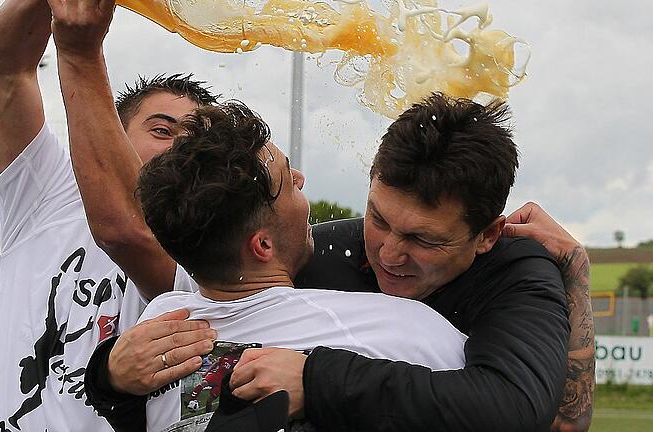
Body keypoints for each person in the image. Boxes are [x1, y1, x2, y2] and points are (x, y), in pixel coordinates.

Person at [46, 0, 592, 430]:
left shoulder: (517, 272)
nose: (389, 252)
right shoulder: (320, 250)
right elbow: (173, 251)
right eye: (378, 217)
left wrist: (317, 378)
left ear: (487, 234)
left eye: (425, 241)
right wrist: (111, 376)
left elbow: (518, 412)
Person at [0, 1, 219, 431]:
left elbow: (126, 228)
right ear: (109, 130)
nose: (178, 148)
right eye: (162, 130)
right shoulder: (48, 196)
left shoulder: (205, 261)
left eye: (196, 141)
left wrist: (78, 48)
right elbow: (4, 67)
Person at [133, 101, 468, 432]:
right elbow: (499, 404)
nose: (300, 178)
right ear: (262, 246)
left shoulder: (156, 327)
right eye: (286, 181)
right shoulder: (397, 328)